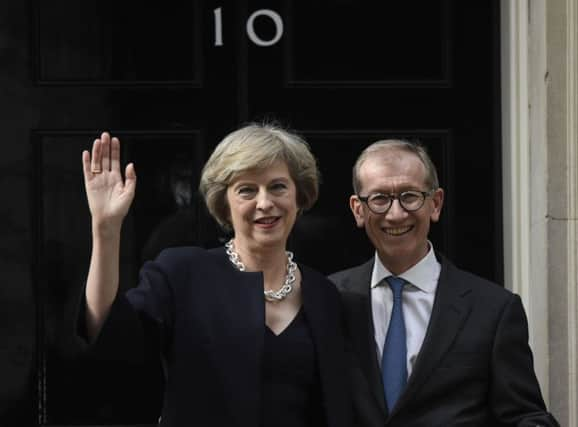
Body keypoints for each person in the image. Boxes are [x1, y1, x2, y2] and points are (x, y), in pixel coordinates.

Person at [79, 125, 352, 427]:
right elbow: (109, 334)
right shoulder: (183, 273)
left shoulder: (324, 294)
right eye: (247, 189)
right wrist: (105, 230)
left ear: (299, 197)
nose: (265, 202)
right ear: (224, 203)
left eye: (278, 187)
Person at [329, 139, 559, 427]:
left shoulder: (493, 310)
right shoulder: (328, 298)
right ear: (358, 210)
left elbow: (525, 417)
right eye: (379, 199)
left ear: (435, 204)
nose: (396, 213)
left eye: (410, 196)